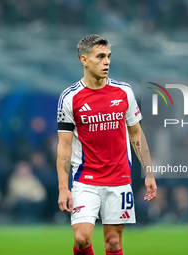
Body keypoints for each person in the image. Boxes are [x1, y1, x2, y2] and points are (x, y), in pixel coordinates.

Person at [56, 34, 157, 255]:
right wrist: (64, 188)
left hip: (119, 178)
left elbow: (136, 134)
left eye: (109, 56)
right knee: (82, 239)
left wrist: (149, 172)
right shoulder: (70, 98)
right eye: (100, 56)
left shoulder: (123, 92)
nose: (107, 62)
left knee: (113, 243)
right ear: (84, 59)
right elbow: (63, 146)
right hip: (85, 179)